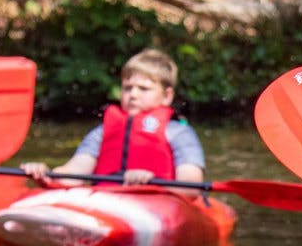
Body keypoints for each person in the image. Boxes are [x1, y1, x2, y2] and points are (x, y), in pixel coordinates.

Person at [20, 49, 205, 189]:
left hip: (159, 200)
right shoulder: (102, 133)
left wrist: (150, 182)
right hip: (109, 200)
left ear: (167, 96)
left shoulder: (179, 133)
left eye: (143, 88)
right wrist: (44, 173)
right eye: (127, 88)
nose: (133, 94)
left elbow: (190, 184)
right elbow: (73, 173)